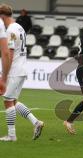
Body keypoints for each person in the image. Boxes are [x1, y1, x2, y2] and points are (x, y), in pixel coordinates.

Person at [0, 4, 44, 141]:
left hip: (14, 70)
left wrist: (4, 75)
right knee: (13, 101)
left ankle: (11, 135)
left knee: (7, 101)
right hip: (22, 68)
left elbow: (10, 53)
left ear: (2, 16)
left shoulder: (10, 31)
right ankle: (36, 122)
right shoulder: (19, 27)